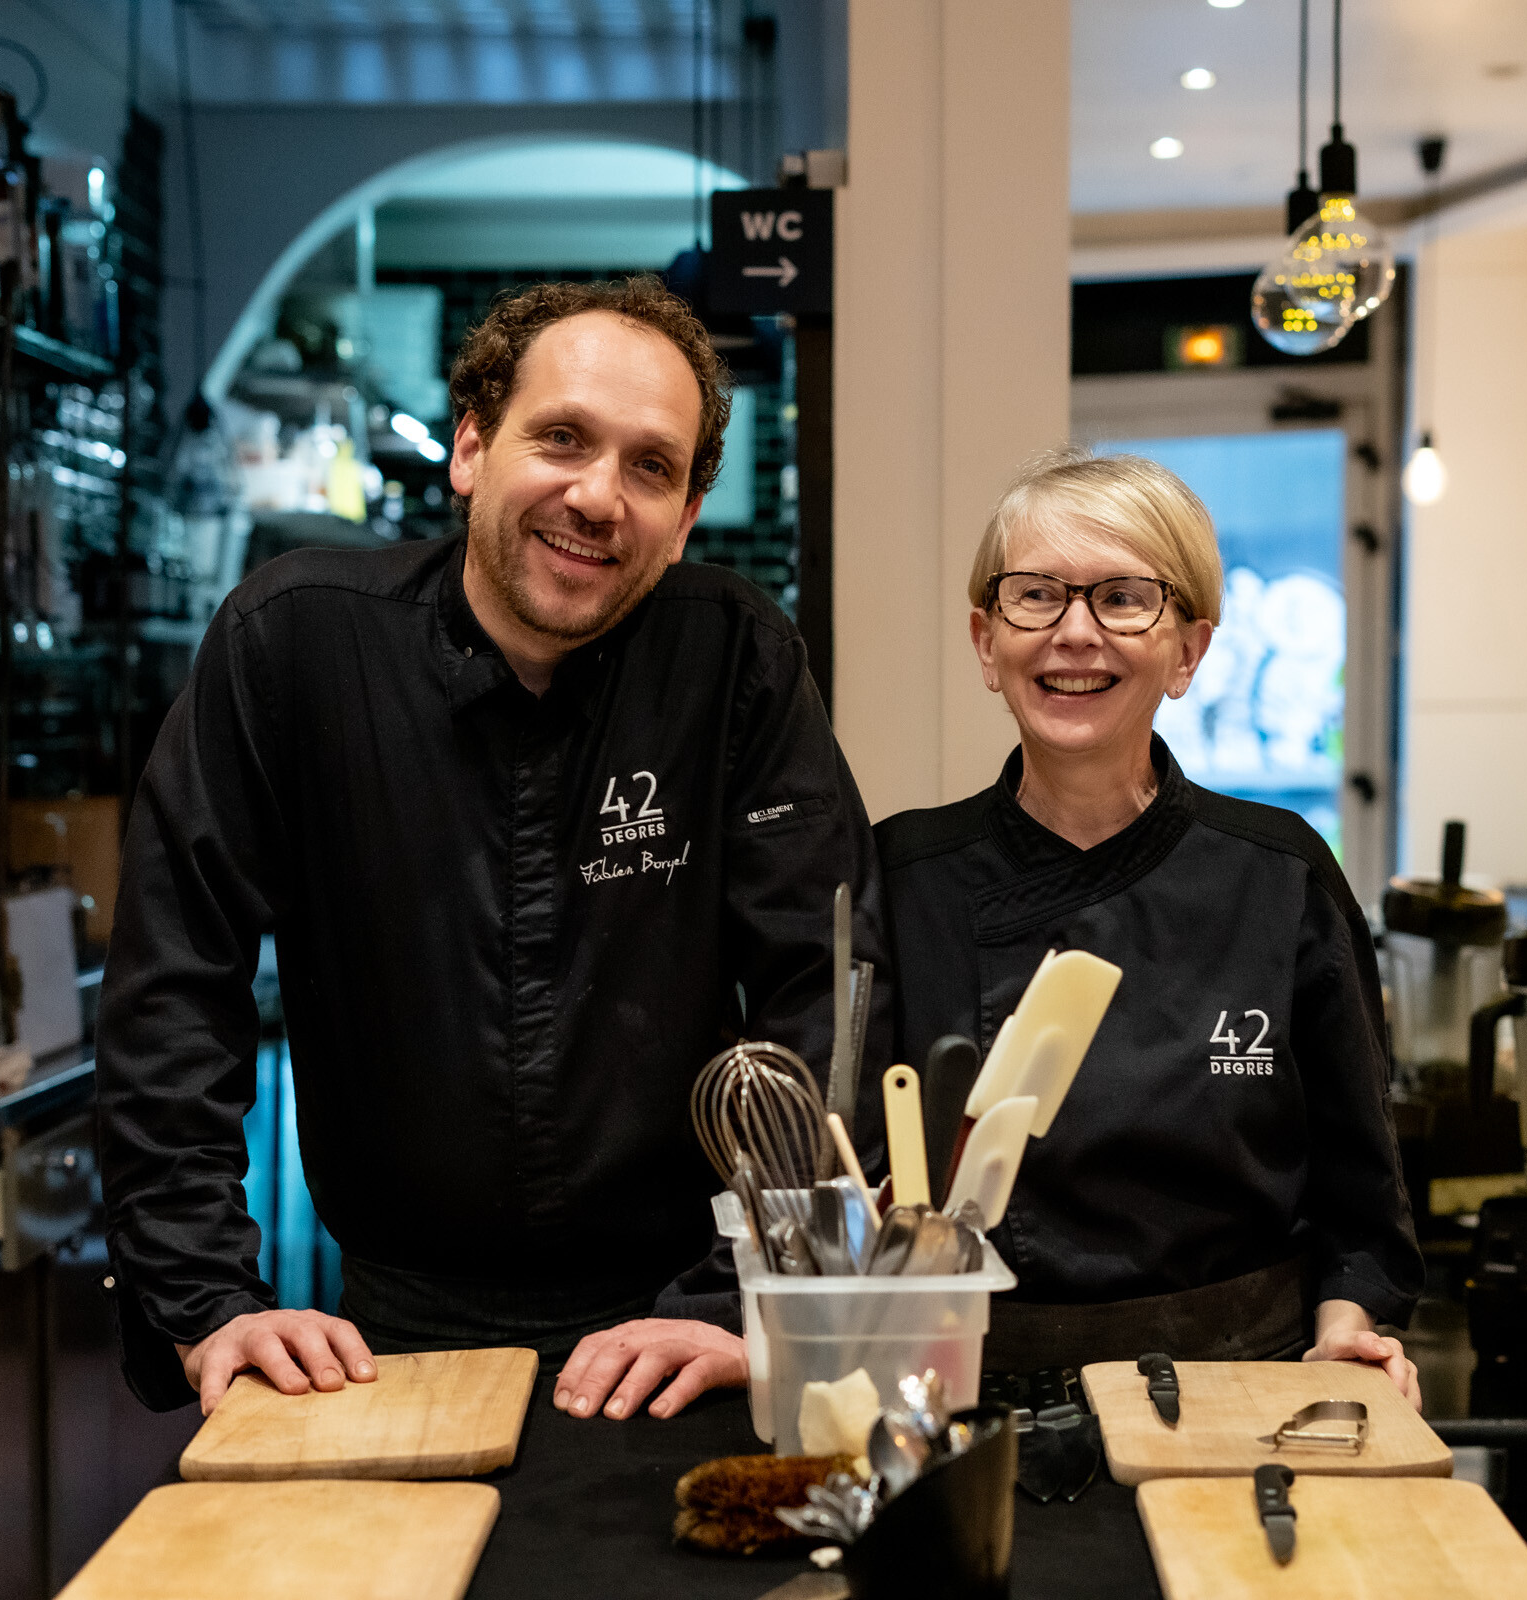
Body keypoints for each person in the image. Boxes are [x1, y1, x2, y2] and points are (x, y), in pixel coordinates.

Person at [97, 276, 889, 1421]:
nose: (597, 495)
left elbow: (830, 997)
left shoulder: (737, 662)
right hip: (387, 1338)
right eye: (561, 438)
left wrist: (750, 1290)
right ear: (471, 445)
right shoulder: (293, 641)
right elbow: (174, 980)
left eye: (650, 466)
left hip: (679, 1330)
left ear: (686, 512)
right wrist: (206, 1293)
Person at [875, 449, 1423, 1404]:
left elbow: (1362, 1207)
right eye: (1035, 595)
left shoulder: (1280, 875)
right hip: (965, 1392)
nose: (1074, 633)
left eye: (1124, 598)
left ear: (1190, 650)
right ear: (984, 641)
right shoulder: (901, 876)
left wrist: (1348, 1334)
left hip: (1240, 1390)